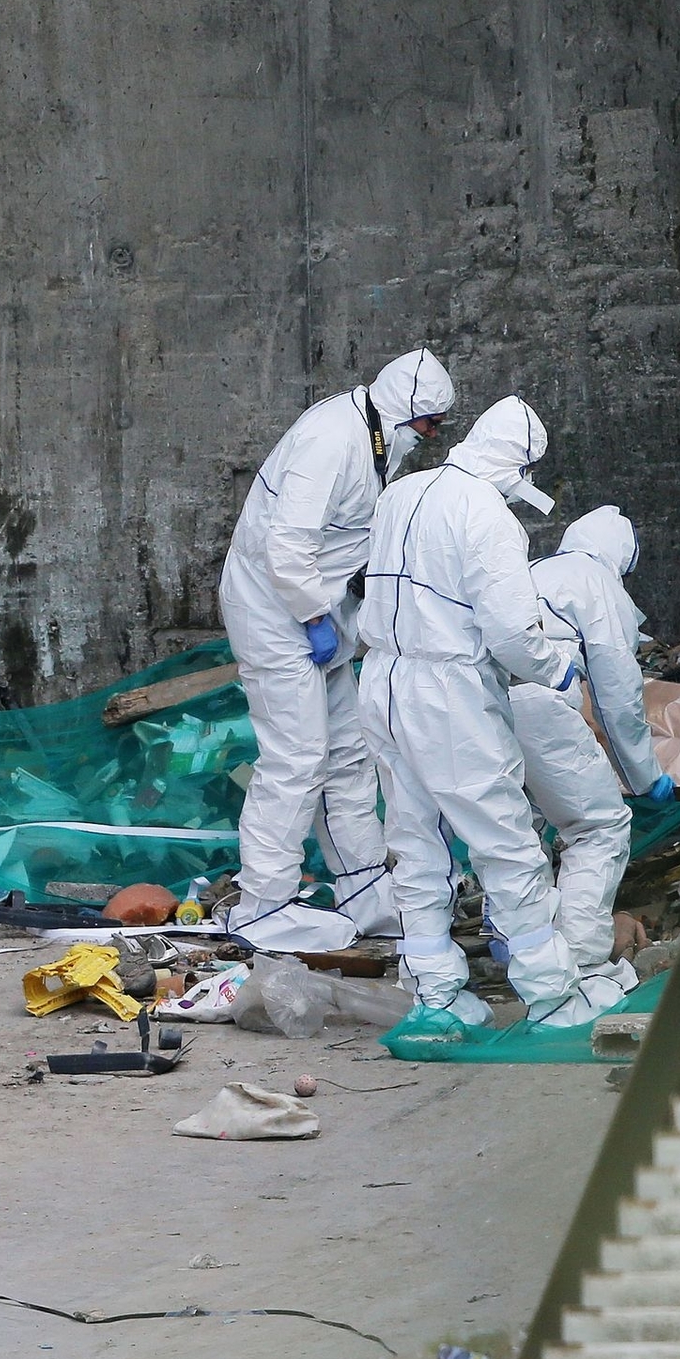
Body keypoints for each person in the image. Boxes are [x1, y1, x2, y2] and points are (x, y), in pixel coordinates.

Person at [354, 398, 620, 1029]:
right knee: (505, 843)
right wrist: (556, 670)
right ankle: (554, 997)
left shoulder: (402, 492)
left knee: (415, 841)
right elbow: (508, 632)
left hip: (384, 678)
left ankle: (435, 996)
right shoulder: (490, 515)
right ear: (517, 463)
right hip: (448, 687)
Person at [218, 348, 456, 950]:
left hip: (319, 611)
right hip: (276, 610)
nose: (429, 438)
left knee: (349, 754)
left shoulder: (375, 438)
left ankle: (364, 891)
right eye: (427, 424)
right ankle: (262, 907)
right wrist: (312, 617)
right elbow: (286, 546)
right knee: (296, 759)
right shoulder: (333, 439)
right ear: (404, 411)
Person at [512, 506, 670, 997]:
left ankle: (522, 948)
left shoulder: (535, 570)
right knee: (597, 829)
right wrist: (643, 774)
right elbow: (617, 693)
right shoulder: (598, 582)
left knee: (518, 836)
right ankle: (581, 966)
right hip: (545, 702)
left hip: (487, 704)